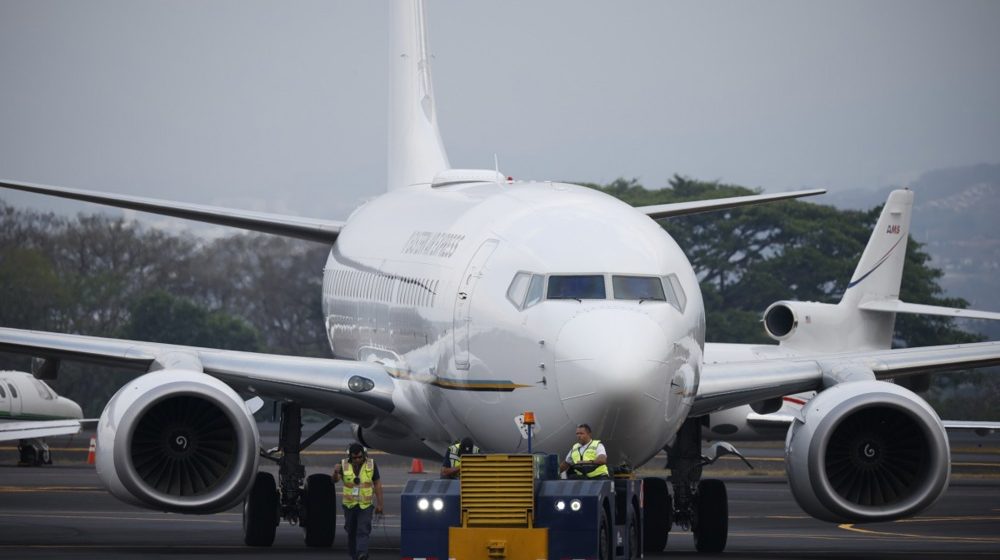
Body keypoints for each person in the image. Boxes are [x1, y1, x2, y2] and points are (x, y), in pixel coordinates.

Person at [333, 443, 384, 560]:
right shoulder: (343, 464)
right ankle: (354, 554)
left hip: (365, 505)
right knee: (351, 531)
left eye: (360, 457)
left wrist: (380, 504)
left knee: (363, 530)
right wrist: (335, 472)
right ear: (350, 457)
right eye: (355, 458)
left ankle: (362, 554)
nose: (357, 460)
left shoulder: (371, 464)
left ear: (364, 455)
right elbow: (334, 480)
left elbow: (377, 484)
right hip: (349, 505)